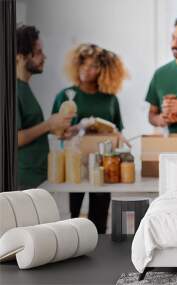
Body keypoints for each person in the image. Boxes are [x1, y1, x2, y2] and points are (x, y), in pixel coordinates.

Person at [52, 43, 127, 233]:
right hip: (74, 162)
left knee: (100, 217)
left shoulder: (110, 99)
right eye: (84, 65)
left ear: (103, 70)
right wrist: (75, 128)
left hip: (104, 163)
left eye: (93, 66)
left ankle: (99, 251)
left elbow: (117, 131)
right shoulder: (66, 96)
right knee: (70, 216)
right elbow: (56, 131)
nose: (87, 70)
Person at [16, 25, 73, 190]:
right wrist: (49, 124)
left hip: (36, 177)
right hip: (23, 180)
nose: (44, 56)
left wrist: (56, 129)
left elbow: (30, 129)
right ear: (20, 57)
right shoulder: (13, 90)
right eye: (38, 52)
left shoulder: (24, 87)